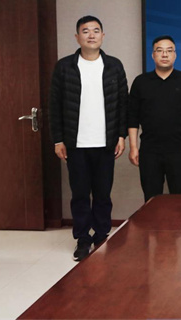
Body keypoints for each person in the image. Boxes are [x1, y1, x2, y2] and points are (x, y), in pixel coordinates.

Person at [49, 15, 128, 261]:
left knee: (103, 194)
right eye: (85, 31)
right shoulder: (65, 67)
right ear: (77, 37)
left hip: (106, 142)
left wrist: (121, 135)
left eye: (96, 30)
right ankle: (82, 239)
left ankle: (102, 236)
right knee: (80, 194)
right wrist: (58, 139)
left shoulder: (114, 65)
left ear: (103, 36)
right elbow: (55, 105)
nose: (91, 35)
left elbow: (123, 104)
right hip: (76, 144)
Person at [128, 35, 181, 202]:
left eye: (169, 51)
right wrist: (133, 147)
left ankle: (178, 222)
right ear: (153, 55)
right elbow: (132, 117)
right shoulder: (141, 82)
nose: (164, 54)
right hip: (149, 150)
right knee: (151, 199)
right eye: (160, 50)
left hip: (179, 149)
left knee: (180, 199)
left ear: (175, 55)